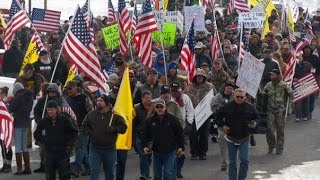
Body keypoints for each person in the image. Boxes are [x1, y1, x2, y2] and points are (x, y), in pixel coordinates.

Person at [216, 88, 259, 180]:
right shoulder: (227, 106)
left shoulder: (250, 107)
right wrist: (222, 126)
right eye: (237, 97)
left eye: (241, 97)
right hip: (231, 137)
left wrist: (254, 122)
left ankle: (241, 178)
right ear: (234, 96)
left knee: (244, 160)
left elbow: (257, 117)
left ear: (245, 97)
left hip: (244, 137)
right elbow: (218, 116)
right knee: (232, 162)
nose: (239, 98)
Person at [82, 94, 127, 180]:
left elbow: (123, 128)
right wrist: (91, 133)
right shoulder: (91, 114)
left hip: (110, 149)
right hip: (95, 149)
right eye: (97, 101)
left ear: (106, 103)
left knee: (109, 173)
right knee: (94, 171)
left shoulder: (115, 114)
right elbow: (84, 126)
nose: (98, 102)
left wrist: (114, 129)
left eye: (101, 101)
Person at [34, 100, 78, 180]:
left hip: (62, 153)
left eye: (52, 109)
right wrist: (44, 140)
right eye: (48, 109)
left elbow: (74, 132)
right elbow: (37, 134)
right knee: (50, 176)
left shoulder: (64, 120)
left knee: (64, 175)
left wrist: (65, 140)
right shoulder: (43, 122)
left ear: (56, 109)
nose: (50, 111)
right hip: (49, 153)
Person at [142, 99, 184, 180]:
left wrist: (181, 147)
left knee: (168, 174)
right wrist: (145, 146)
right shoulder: (150, 121)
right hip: (156, 152)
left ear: (165, 107)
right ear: (155, 108)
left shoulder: (173, 119)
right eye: (157, 107)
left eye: (161, 106)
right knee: (157, 176)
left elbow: (180, 133)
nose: (159, 109)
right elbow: (145, 135)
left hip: (170, 152)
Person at [185, 69, 216, 160]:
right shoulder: (189, 87)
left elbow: (215, 97)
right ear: (195, 77)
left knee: (204, 134)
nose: (199, 78)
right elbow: (185, 98)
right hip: (193, 114)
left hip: (205, 114)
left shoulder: (210, 86)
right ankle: (194, 153)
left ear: (204, 77)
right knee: (193, 134)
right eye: (198, 76)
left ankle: (203, 153)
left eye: (201, 76)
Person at [65, 80, 93, 177]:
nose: (68, 91)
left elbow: (91, 112)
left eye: (70, 88)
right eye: (67, 89)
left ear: (75, 87)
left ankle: (76, 169)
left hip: (84, 127)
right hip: (73, 128)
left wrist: (90, 126)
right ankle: (89, 168)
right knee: (82, 149)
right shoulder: (67, 99)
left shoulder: (84, 98)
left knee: (80, 148)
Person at [263, 69, 293, 155]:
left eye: (273, 75)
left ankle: (279, 149)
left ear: (278, 75)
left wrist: (290, 106)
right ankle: (271, 146)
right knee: (269, 130)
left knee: (280, 130)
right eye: (271, 75)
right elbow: (263, 94)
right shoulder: (268, 85)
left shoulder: (284, 85)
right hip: (270, 110)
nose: (271, 77)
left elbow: (291, 94)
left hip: (280, 110)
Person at [170, 82, 194, 178]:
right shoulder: (168, 98)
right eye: (173, 91)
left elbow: (190, 111)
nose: (175, 93)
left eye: (177, 91)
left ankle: (178, 169)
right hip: (170, 128)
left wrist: (189, 123)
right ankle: (173, 170)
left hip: (182, 128)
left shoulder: (185, 98)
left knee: (181, 151)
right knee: (171, 151)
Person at [8, 83, 34, 175]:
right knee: (24, 146)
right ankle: (27, 168)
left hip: (18, 123)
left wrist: (10, 101)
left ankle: (19, 169)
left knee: (18, 146)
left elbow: (10, 109)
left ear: (16, 90)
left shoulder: (18, 97)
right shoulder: (29, 96)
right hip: (26, 123)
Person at [211, 83, 235, 171]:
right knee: (222, 144)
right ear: (225, 88)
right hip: (222, 124)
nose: (229, 90)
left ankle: (232, 161)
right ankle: (224, 162)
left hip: (233, 125)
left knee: (233, 144)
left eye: (231, 88)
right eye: (227, 88)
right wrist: (222, 108)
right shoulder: (217, 97)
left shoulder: (236, 97)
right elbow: (213, 108)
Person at [134, 90, 153, 180]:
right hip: (140, 136)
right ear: (142, 98)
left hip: (151, 137)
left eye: (149, 98)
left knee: (149, 156)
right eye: (146, 98)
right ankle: (144, 174)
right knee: (143, 155)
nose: (148, 100)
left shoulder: (154, 108)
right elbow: (133, 123)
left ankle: (146, 172)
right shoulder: (136, 108)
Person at [0, 86, 13, 173]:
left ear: (4, 94)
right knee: (3, 147)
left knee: (7, 146)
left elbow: (8, 115)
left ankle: (9, 165)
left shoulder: (6, 104)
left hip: (6, 128)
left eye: (1, 93)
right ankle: (5, 164)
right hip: (1, 128)